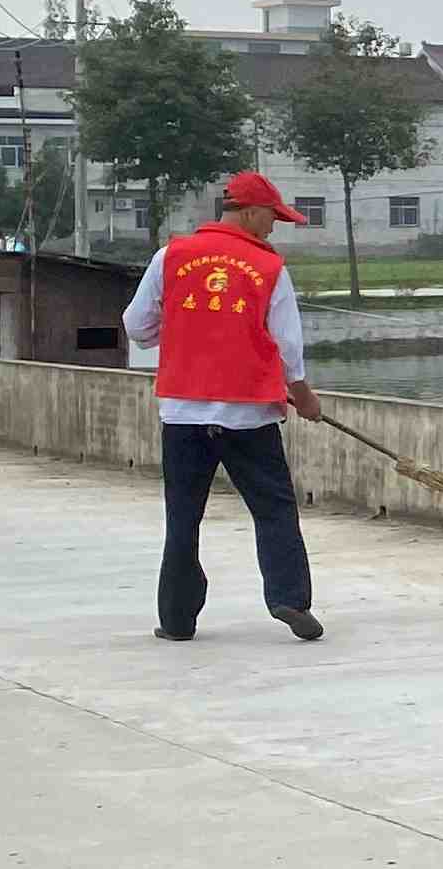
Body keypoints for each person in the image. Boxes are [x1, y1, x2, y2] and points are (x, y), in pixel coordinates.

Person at [121, 170, 329, 645]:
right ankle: (289, 599)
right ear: (251, 212)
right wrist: (303, 396)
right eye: (272, 217)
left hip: (182, 414)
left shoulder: (170, 256)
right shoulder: (269, 267)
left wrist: (170, 333)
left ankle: (177, 620)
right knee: (274, 510)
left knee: (182, 519)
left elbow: (136, 325)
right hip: (248, 414)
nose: (274, 227)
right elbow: (287, 347)